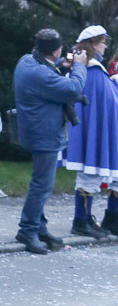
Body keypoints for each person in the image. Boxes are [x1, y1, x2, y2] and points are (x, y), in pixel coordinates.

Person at [14, 29, 88, 254]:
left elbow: (49, 77)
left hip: (37, 130)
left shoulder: (27, 61)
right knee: (42, 185)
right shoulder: (40, 74)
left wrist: (62, 67)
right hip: (43, 134)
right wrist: (79, 65)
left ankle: (39, 226)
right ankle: (28, 229)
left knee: (41, 183)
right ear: (56, 50)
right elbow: (73, 88)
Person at [62, 25, 118, 238]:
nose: (106, 46)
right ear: (94, 43)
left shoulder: (95, 69)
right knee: (89, 174)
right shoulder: (90, 69)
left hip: (100, 128)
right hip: (90, 129)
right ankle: (81, 220)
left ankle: (99, 219)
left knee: (96, 175)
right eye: (103, 42)